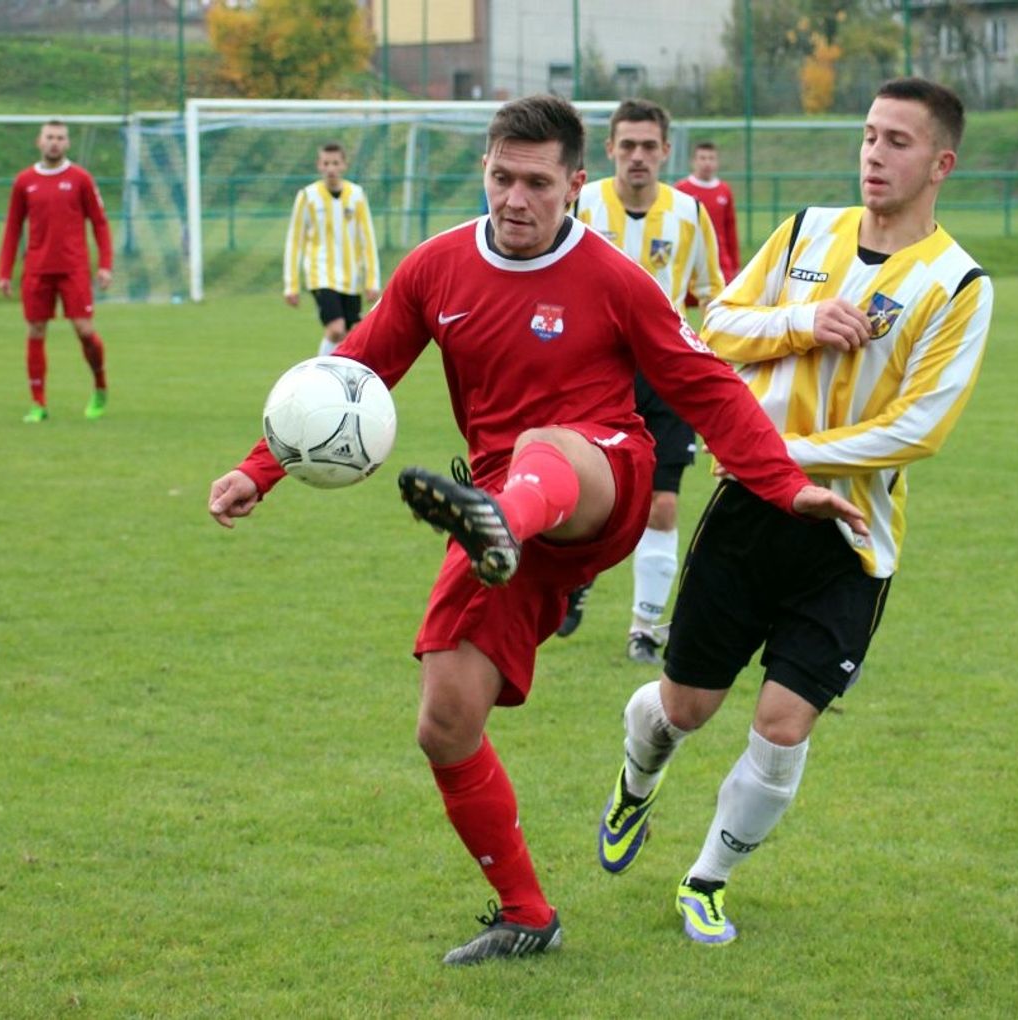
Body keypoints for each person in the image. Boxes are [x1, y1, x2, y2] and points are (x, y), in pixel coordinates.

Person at [208, 94, 868, 967]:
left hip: (600, 479)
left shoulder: (613, 279)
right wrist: (258, 469)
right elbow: (354, 369)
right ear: (484, 169)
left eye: (537, 183)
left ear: (575, 185)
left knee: (542, 447)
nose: (515, 200)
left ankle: (506, 530)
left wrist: (785, 485)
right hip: (497, 515)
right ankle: (527, 914)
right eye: (501, 178)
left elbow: (706, 384)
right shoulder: (437, 269)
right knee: (444, 721)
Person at [596, 78, 994, 947]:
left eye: (896, 141)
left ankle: (707, 880)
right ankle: (635, 783)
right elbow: (718, 326)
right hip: (748, 516)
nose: (874, 155)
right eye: (868, 136)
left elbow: (917, 429)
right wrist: (806, 319)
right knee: (684, 709)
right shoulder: (809, 232)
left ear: (941, 163)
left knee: (782, 726)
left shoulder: (959, 284)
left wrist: (781, 455)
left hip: (849, 540)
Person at [564, 99, 725, 663]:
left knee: (662, 503)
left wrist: (714, 375)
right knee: (590, 496)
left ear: (665, 151)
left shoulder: (689, 215)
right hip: (590, 375)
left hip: (665, 375)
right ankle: (575, 578)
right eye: (626, 145)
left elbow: (713, 297)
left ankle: (643, 629)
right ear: (609, 150)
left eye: (648, 146)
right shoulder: (580, 204)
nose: (637, 156)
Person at [0, 119, 113, 423]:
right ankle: (38, 403)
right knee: (35, 331)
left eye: (60, 138)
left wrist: (104, 265)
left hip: (73, 268)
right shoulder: (24, 181)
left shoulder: (80, 179)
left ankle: (100, 386)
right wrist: (4, 272)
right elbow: (12, 228)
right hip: (37, 269)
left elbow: (100, 223)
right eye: (49, 137)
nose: (54, 142)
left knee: (85, 331)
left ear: (67, 143)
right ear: (39, 141)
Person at [283, 142, 381, 356]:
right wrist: (291, 285)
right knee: (336, 329)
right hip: (321, 275)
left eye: (335, 163)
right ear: (319, 165)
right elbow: (294, 240)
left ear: (344, 165)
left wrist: (372, 281)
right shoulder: (308, 196)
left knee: (351, 333)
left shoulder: (356, 195)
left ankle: (340, 379)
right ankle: (319, 374)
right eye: (326, 163)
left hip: (351, 277)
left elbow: (368, 239)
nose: (331, 168)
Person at [675, 141, 739, 287]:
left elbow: (730, 228)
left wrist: (735, 264)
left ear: (717, 162)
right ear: (694, 162)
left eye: (711, 158)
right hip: (689, 254)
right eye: (702, 158)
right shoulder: (681, 189)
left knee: (722, 300)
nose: (707, 163)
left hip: (719, 256)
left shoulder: (724, 190)